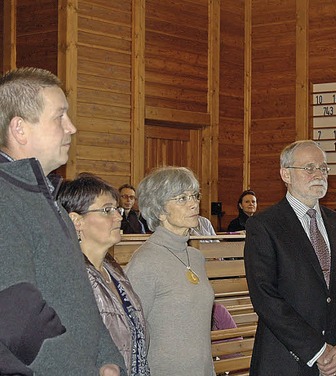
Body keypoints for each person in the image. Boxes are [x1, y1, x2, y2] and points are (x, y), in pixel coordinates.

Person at [0, 67, 124, 375]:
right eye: (60, 116)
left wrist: (107, 358)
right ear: (20, 129)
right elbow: (17, 322)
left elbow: (81, 303)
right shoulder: (6, 199)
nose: (72, 128)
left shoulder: (46, 200)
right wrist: (81, 368)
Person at [244, 140, 336, 375]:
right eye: (309, 168)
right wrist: (317, 350)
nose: (319, 174)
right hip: (285, 361)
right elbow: (265, 297)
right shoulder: (264, 226)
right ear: (286, 174)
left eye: (323, 168)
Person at [125, 166, 215, 376]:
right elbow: (132, 334)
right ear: (159, 211)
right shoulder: (144, 262)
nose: (194, 203)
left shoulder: (196, 257)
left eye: (194, 195)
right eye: (182, 198)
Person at [58, 173, 150, 376]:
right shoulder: (70, 279)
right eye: (107, 210)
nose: (118, 216)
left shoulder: (113, 269)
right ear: (76, 221)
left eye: (116, 209)